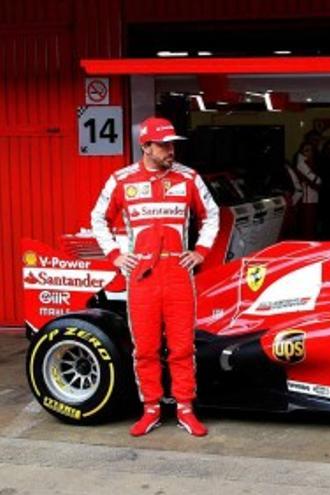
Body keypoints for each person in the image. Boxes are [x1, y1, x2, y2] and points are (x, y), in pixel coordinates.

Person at [90, 116, 219, 437]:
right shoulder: (121, 179)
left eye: (172, 144)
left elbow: (212, 214)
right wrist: (116, 256)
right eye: (162, 145)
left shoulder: (189, 178)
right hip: (143, 277)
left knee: (182, 347)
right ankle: (151, 409)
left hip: (177, 273)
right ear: (145, 146)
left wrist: (201, 251)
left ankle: (186, 409)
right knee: (145, 348)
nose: (170, 150)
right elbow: (97, 218)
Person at [291, 142, 321, 239]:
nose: (309, 152)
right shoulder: (301, 164)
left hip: (312, 198)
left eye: (310, 150)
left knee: (311, 226)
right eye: (306, 150)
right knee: (307, 228)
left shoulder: (311, 162)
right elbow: (316, 181)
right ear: (301, 152)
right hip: (306, 199)